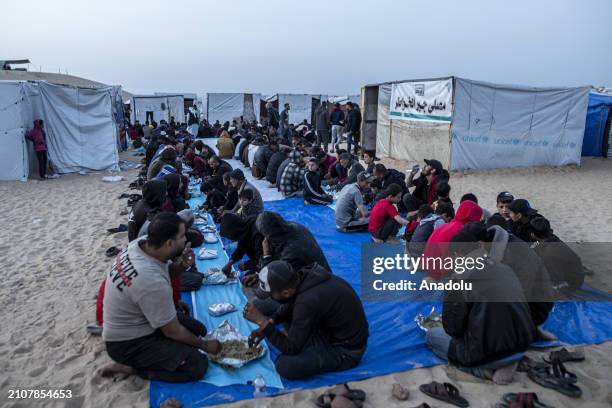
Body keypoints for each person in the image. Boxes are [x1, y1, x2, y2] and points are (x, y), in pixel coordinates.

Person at [100, 213, 221, 382]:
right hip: (127, 343)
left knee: (199, 329)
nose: (185, 238)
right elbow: (172, 331)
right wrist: (204, 345)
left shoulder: (141, 245)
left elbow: (166, 271)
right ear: (169, 243)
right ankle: (132, 369)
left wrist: (182, 266)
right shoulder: (150, 281)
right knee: (197, 365)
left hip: (141, 319)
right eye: (182, 235)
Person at [426, 231, 536, 377]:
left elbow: (453, 330)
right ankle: (508, 360)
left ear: (458, 255)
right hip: (521, 346)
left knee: (432, 336)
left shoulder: (460, 278)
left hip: (487, 352)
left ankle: (482, 370)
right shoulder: (505, 269)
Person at [243, 260, 369, 380]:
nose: (270, 298)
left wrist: (263, 322)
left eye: (271, 295)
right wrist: (271, 322)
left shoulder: (307, 301)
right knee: (287, 320)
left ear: (286, 292)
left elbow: (291, 348)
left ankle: (329, 355)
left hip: (347, 351)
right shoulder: (306, 276)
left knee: (284, 365)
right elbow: (290, 305)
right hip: (332, 331)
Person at [422, 200, 483, 280]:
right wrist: (445, 278)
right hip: (438, 273)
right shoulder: (461, 232)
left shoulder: (447, 225)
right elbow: (446, 257)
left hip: (428, 266)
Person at [255, 211, 331, 271]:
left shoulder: (292, 251)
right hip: (317, 273)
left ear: (270, 235)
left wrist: (266, 255)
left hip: (318, 282)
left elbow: (271, 276)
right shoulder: (290, 226)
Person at [530, 217, 585, 296]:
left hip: (572, 282)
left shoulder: (549, 254)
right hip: (575, 272)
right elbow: (535, 245)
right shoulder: (551, 237)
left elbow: (556, 279)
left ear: (532, 234)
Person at [220, 214, 264, 279]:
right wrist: (231, 261)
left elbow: (263, 259)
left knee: (248, 281)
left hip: (273, 263)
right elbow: (241, 245)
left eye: (232, 237)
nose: (233, 240)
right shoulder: (244, 226)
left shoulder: (258, 234)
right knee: (247, 276)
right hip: (261, 259)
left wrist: (247, 265)